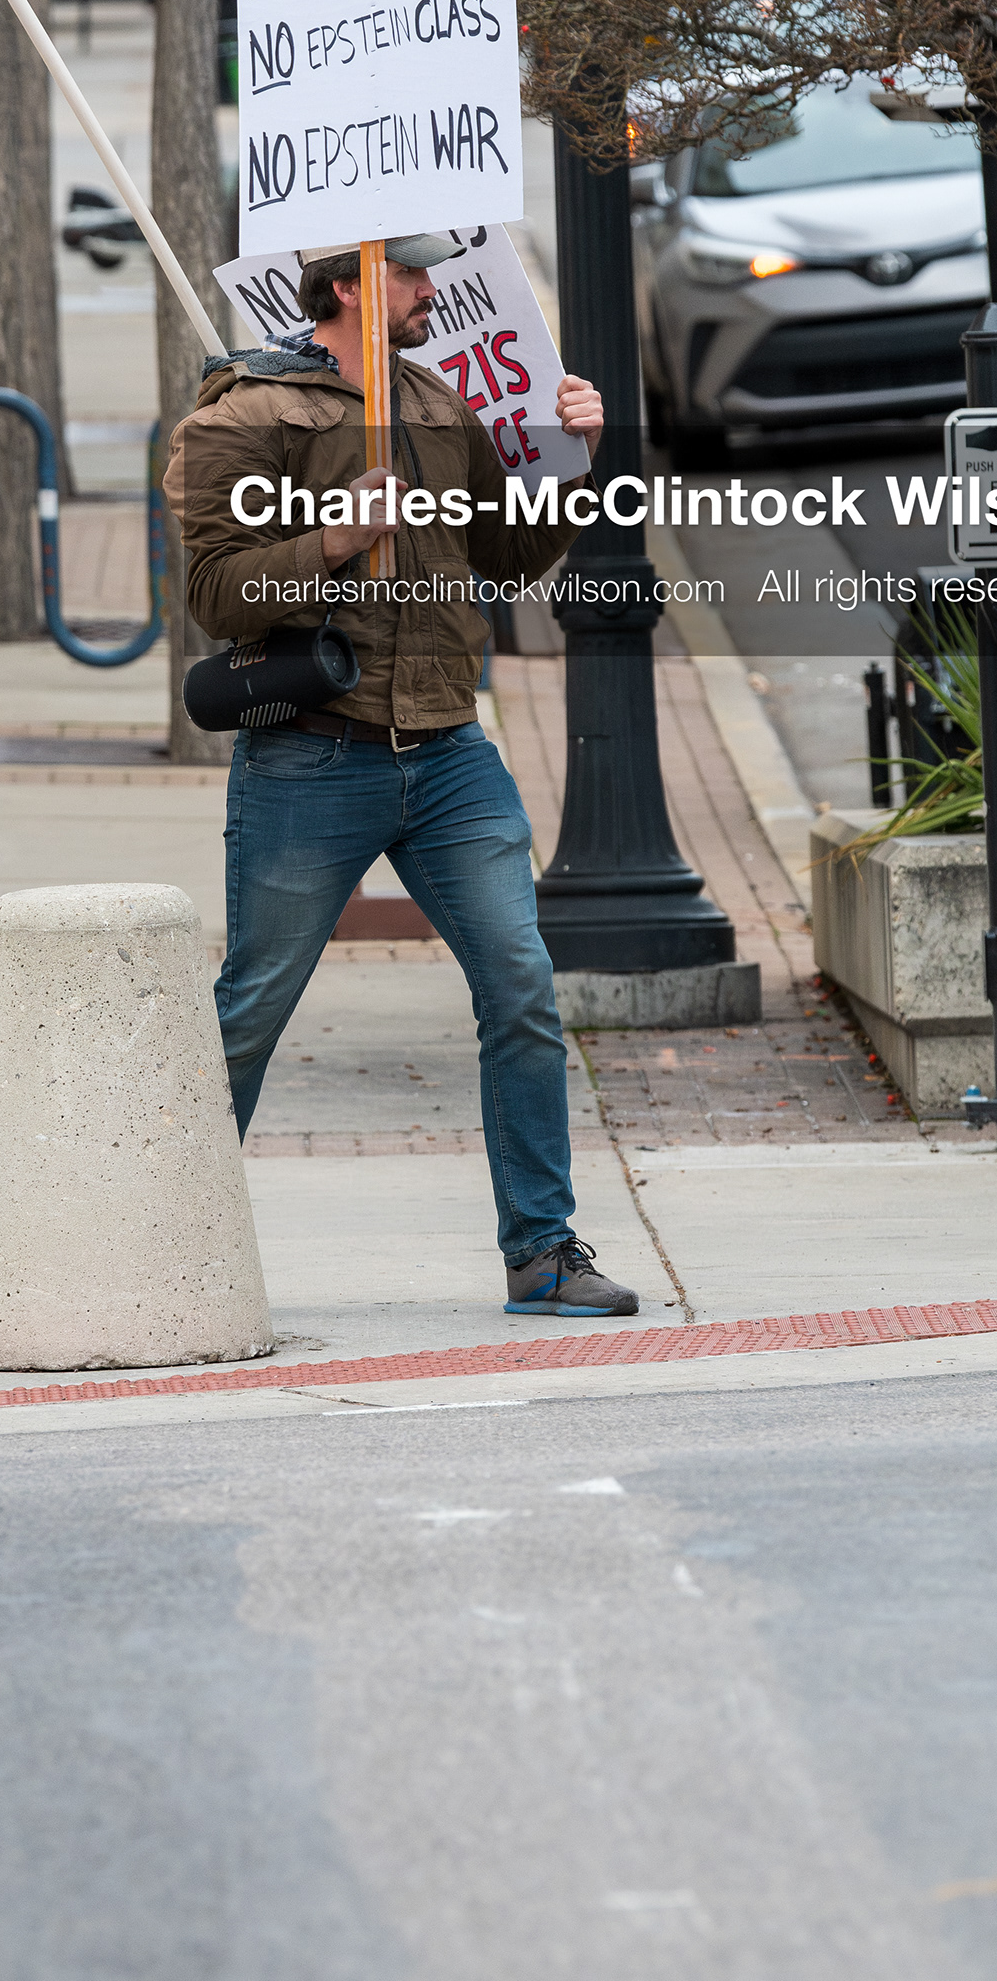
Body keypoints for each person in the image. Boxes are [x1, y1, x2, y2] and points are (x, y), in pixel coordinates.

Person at [165, 230, 638, 1318]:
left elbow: (509, 556)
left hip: (449, 752)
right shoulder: (240, 417)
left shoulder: (435, 405)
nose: (435, 290)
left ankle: (542, 1250)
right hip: (310, 760)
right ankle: (158, 1240)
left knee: (520, 989)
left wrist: (576, 462)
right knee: (250, 1009)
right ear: (349, 286)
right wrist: (332, 541)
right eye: (413, 275)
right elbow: (214, 596)